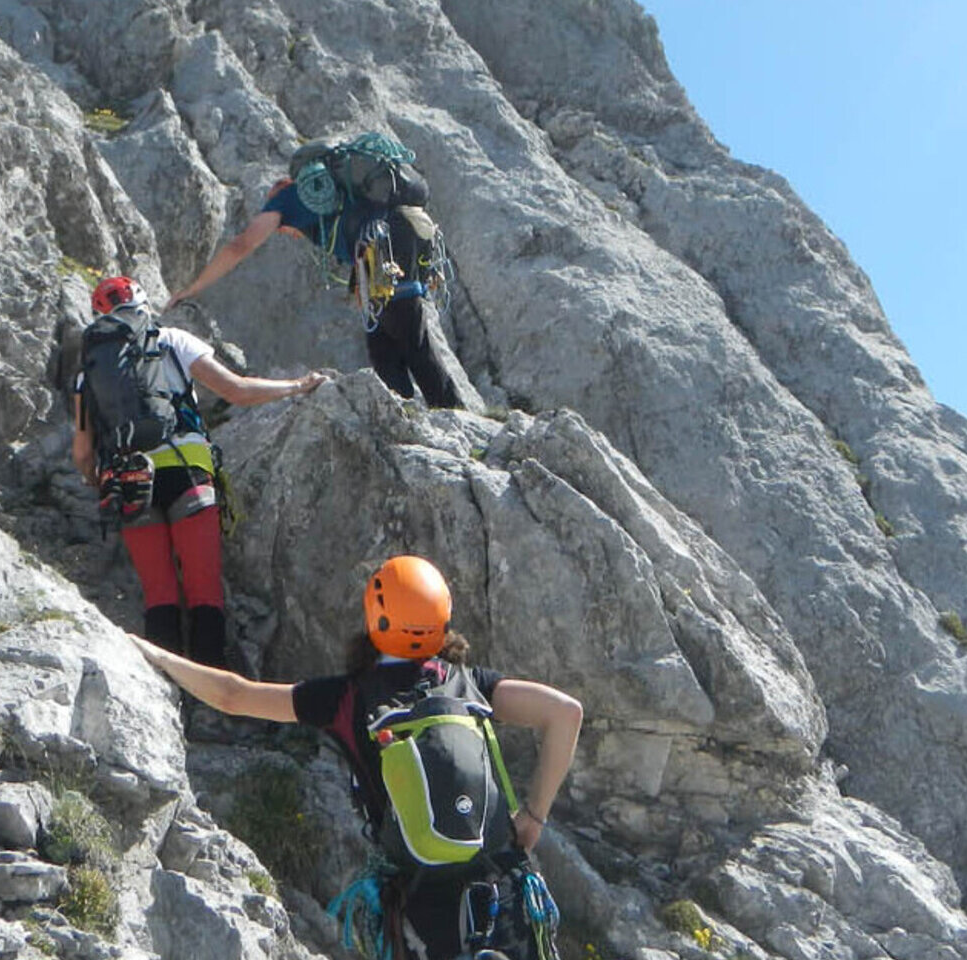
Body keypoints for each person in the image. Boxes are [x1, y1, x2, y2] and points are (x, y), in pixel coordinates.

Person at [128, 555, 582, 959]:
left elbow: (233, 696)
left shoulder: (347, 699)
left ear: (375, 618)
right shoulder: (471, 684)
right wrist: (534, 817)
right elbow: (566, 713)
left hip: (420, 894)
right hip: (502, 877)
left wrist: (157, 656)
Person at [73, 276, 329, 667]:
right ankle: (210, 693)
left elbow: (82, 452)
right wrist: (297, 386)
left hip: (129, 480)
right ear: (143, 303)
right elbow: (237, 390)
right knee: (204, 590)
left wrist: (99, 479)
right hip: (188, 470)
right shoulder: (172, 340)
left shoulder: (90, 365)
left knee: (160, 593)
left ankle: (170, 692)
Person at [166, 150, 463, 409]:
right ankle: (401, 407)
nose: (283, 231)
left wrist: (191, 289)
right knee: (381, 339)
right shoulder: (337, 203)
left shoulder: (283, 201)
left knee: (409, 331)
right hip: (396, 236)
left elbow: (240, 246)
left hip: (385, 240)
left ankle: (451, 409)